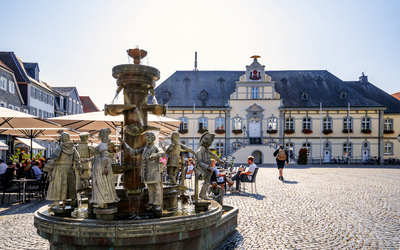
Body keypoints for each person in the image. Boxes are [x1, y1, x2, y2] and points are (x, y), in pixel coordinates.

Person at [120, 132, 164, 211]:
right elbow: (134, 153)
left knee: (156, 188)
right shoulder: (144, 148)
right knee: (150, 188)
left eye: (149, 137)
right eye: (146, 136)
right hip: (147, 172)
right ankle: (151, 203)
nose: (147, 138)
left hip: (154, 172)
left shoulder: (156, 148)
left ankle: (157, 204)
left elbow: (162, 152)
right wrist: (125, 145)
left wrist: (156, 155)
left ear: (153, 139)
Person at [45, 132, 82, 208]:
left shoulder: (59, 148)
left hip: (59, 169)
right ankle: (72, 200)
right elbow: (77, 161)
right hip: (69, 169)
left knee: (58, 185)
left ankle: (56, 201)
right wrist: (78, 171)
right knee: (70, 185)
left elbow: (52, 160)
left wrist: (49, 171)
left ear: (61, 138)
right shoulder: (73, 149)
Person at [90, 128, 120, 209]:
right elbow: (99, 156)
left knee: (101, 184)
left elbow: (105, 157)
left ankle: (102, 200)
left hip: (101, 167)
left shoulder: (103, 145)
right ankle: (102, 201)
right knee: (101, 183)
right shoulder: (104, 144)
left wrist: (105, 167)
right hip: (100, 165)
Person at [195, 132, 223, 200]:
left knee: (207, 183)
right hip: (201, 170)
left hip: (208, 169)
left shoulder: (206, 150)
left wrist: (219, 160)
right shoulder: (199, 151)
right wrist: (207, 167)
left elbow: (213, 155)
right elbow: (199, 162)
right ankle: (202, 195)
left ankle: (202, 194)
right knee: (207, 182)